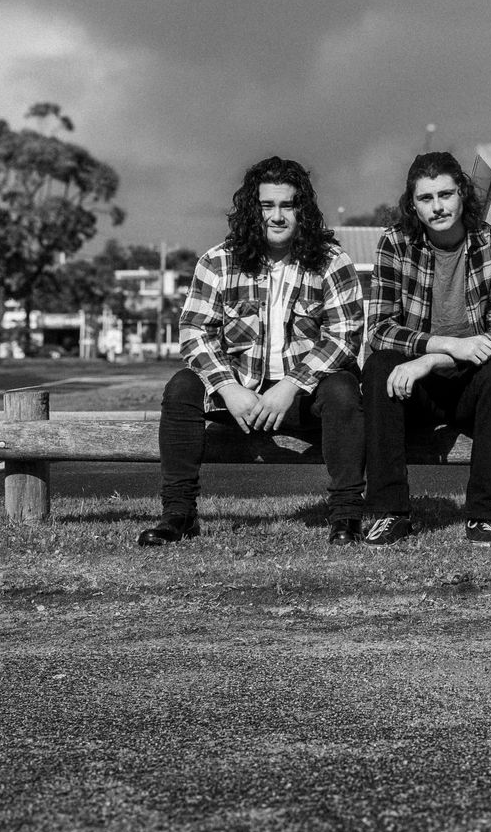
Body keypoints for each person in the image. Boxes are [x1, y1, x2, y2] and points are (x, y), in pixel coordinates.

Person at [139, 157, 366, 547]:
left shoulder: (331, 261)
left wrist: (291, 386)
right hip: (240, 393)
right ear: (252, 210)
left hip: (305, 395)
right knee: (181, 388)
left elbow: (345, 336)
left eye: (287, 205)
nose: (277, 216)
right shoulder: (218, 262)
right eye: (267, 206)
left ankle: (346, 516)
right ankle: (179, 515)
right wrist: (229, 389)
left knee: (344, 389)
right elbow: (194, 332)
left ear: (302, 210)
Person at [361, 151, 491, 545]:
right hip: (413, 388)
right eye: (426, 198)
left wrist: (431, 359)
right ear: (413, 204)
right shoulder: (396, 243)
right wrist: (445, 346)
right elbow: (379, 329)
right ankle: (390, 513)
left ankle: (484, 515)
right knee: (379, 366)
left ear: (462, 194)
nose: (437, 207)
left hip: (469, 384)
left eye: (445, 195)